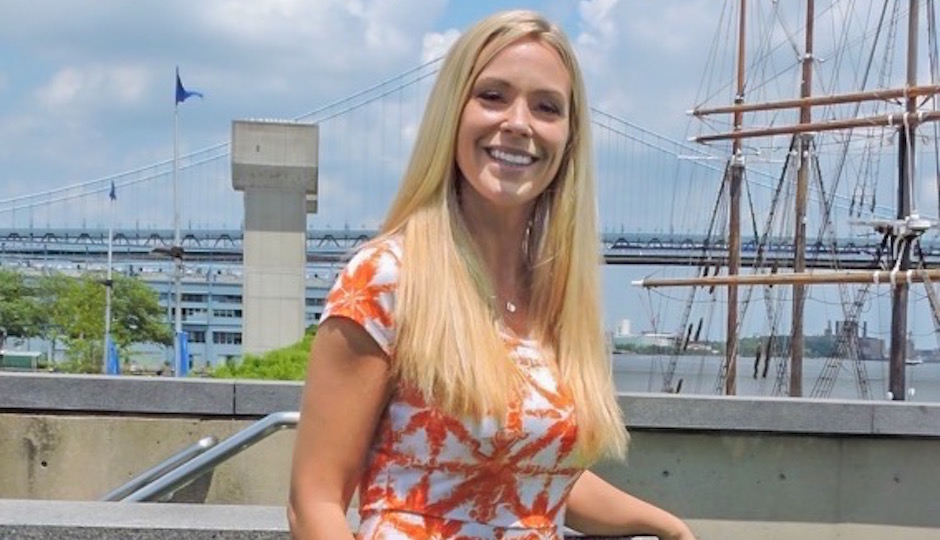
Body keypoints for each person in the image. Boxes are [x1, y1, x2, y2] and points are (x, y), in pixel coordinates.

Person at [288, 9, 696, 540]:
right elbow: (313, 501)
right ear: (453, 114)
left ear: (569, 138)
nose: (519, 123)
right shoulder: (388, 279)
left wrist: (667, 526)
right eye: (493, 96)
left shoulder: (555, 300)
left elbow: (534, 473)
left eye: (547, 107)